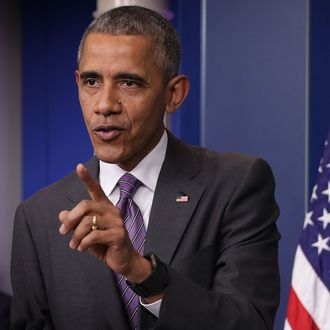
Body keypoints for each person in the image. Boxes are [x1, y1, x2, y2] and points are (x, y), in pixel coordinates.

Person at [11, 6, 280, 330]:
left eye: (129, 83)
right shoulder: (38, 215)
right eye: (92, 81)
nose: (105, 104)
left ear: (173, 94)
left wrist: (142, 273)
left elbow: (250, 324)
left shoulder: (236, 184)